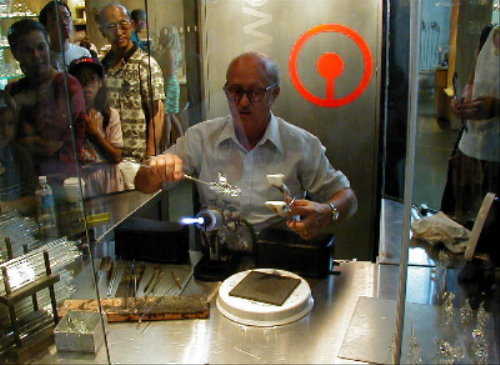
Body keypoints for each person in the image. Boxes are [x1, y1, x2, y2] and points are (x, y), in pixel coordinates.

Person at [135, 52, 357, 239]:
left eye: (255, 92)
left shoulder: (300, 144)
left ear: (274, 94)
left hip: (278, 260)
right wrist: (154, 172)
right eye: (235, 91)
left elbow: (347, 198)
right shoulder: (201, 138)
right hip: (218, 260)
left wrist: (327, 211)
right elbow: (142, 184)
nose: (242, 102)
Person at [6, 19, 86, 187]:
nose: (36, 56)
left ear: (48, 44)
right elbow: (7, 142)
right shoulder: (14, 89)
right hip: (25, 185)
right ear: (15, 53)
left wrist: (24, 142)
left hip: (64, 183)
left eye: (41, 47)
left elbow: (49, 144)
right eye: (27, 50)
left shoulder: (66, 85)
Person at [442, 24, 499, 225]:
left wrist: (497, 107)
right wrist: (461, 101)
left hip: (496, 155)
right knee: (462, 221)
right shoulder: (489, 33)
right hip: (471, 148)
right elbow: (473, 82)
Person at [99, 3, 165, 160]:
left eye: (123, 24)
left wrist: (150, 158)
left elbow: (157, 112)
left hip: (137, 159)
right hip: (110, 158)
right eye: (111, 27)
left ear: (132, 25)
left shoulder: (145, 64)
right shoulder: (101, 67)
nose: (118, 32)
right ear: (103, 32)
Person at [68, 56, 124, 197]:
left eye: (92, 79)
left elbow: (116, 156)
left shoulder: (109, 114)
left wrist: (94, 134)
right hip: (79, 179)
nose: (86, 84)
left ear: (100, 83)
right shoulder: (68, 115)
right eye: (80, 79)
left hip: (106, 178)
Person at [0, 90, 37, 215]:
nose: (6, 132)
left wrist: (6, 207)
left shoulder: (19, 155)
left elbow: (33, 200)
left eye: (10, 123)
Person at [39, 0, 91, 71]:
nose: (64, 22)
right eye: (56, 18)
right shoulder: (42, 59)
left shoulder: (83, 54)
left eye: (66, 17)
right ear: (46, 26)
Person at [157, 24, 184, 147]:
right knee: (171, 115)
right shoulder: (171, 51)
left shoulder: (169, 52)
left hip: (169, 84)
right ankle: (182, 141)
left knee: (168, 115)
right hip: (170, 84)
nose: (160, 38)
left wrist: (158, 70)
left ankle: (166, 143)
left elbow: (170, 72)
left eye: (162, 36)